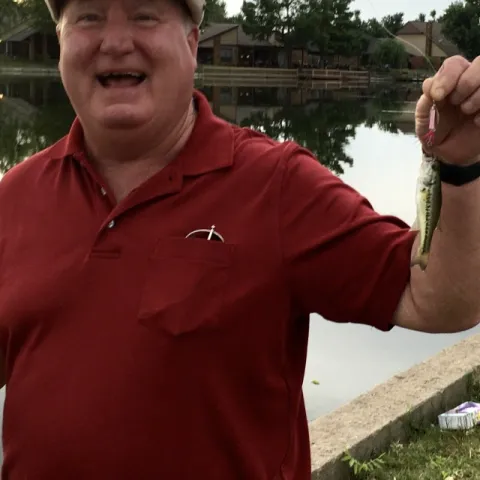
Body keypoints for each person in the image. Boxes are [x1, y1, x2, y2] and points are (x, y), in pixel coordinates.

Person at [0, 0, 479, 478]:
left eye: (144, 15)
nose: (116, 42)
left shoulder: (278, 185)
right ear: (61, 42)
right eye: (89, 17)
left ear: (192, 43)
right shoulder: (14, 198)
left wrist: (462, 165)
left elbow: (439, 299)